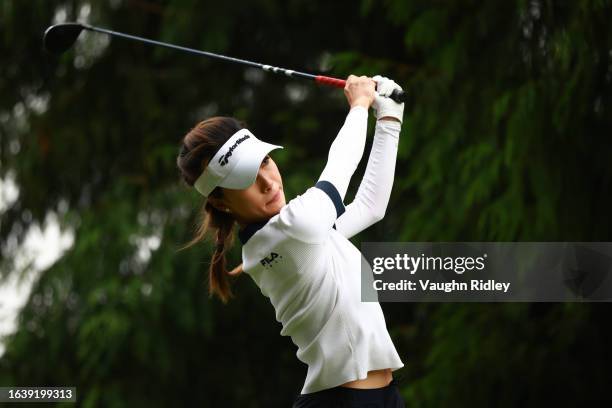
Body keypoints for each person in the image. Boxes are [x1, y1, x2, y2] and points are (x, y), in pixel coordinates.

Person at [176, 74, 406, 407]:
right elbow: (340, 169)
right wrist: (358, 106)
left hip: (380, 397)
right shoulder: (293, 230)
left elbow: (371, 206)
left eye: (265, 161)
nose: (268, 182)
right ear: (221, 201)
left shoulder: (292, 235)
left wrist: (388, 118)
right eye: (246, 180)